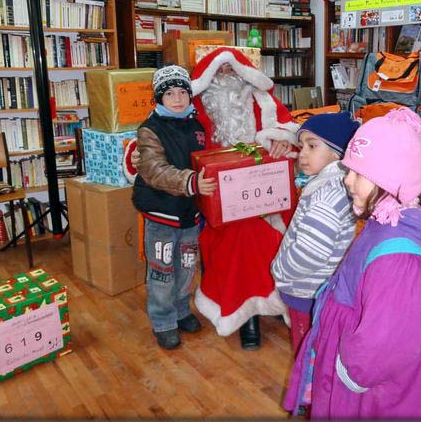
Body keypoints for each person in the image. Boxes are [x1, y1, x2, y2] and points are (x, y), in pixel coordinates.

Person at [284, 107, 421, 419]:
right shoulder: (386, 220)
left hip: (373, 388)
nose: (347, 181)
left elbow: (387, 342)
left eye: (357, 174)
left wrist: (350, 372)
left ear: (393, 181)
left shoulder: (399, 261)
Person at [125, 47, 300, 349]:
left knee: (259, 233)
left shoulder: (262, 101)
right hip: (205, 201)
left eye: (232, 70)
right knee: (217, 245)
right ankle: (245, 314)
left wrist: (283, 141)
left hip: (259, 195)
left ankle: (274, 301)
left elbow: (288, 130)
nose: (226, 77)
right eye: (218, 72)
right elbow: (149, 152)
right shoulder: (192, 110)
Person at [131, 65, 217, 350]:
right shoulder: (150, 129)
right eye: (170, 93)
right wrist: (192, 181)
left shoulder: (196, 125)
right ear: (159, 97)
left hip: (189, 212)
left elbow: (205, 159)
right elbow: (154, 170)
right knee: (161, 270)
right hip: (162, 213)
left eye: (183, 92)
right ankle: (163, 320)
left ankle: (181, 310)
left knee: (187, 266)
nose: (178, 99)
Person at [271, 111, 359, 354]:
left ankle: (309, 391)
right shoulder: (338, 185)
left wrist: (280, 269)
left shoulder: (325, 197)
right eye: (301, 146)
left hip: (307, 291)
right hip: (322, 288)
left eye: (312, 146)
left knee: (307, 354)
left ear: (337, 152)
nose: (302, 154)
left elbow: (310, 253)